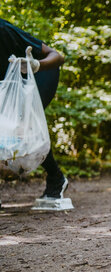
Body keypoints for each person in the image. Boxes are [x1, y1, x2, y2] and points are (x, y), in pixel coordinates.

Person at [0, 18, 69, 206]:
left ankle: (56, 178)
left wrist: (36, 65)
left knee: (24, 126)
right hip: (7, 88)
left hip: (38, 76)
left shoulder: (3, 29)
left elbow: (57, 56)